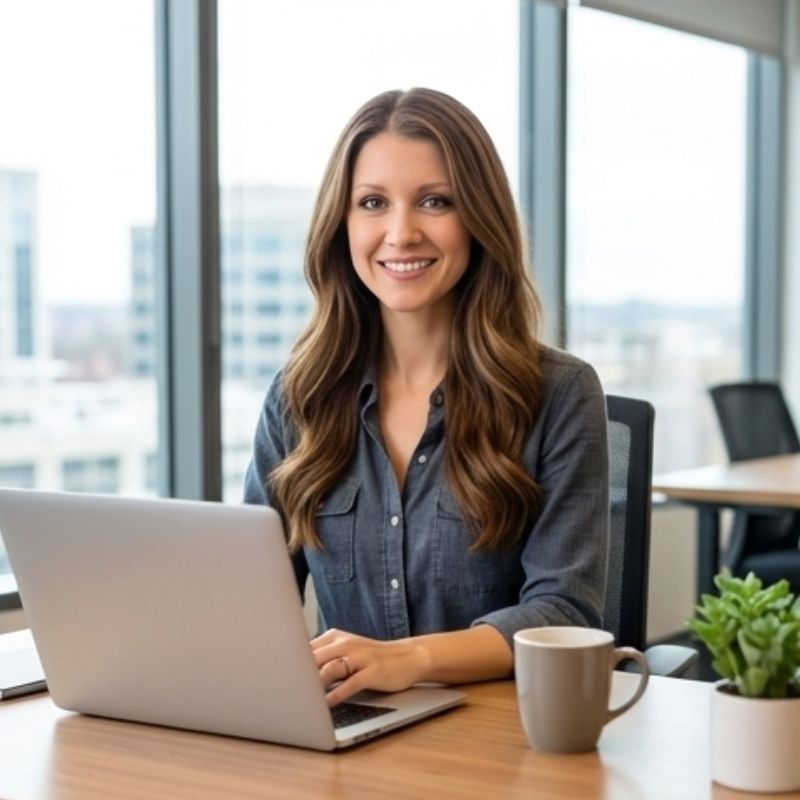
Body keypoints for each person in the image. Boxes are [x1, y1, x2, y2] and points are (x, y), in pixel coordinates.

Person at [244, 87, 609, 707]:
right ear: (341, 224)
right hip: (347, 727)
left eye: (435, 201)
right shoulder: (299, 396)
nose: (401, 233)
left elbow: (564, 612)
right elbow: (252, 597)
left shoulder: (560, 394)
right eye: (373, 203)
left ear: (479, 219)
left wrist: (406, 661)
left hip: (499, 734)